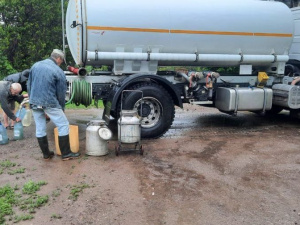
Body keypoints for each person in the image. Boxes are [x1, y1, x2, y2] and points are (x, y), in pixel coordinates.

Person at [27, 49, 80, 161]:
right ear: (58, 59)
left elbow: (29, 84)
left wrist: (31, 100)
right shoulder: (58, 70)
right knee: (63, 124)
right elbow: (61, 93)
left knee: (40, 127)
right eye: (61, 61)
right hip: (49, 102)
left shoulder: (35, 65)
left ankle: (46, 154)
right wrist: (61, 107)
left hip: (34, 101)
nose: (60, 63)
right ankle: (66, 154)